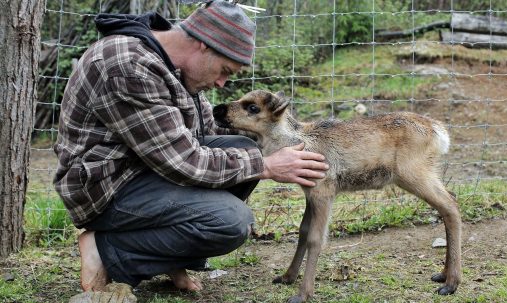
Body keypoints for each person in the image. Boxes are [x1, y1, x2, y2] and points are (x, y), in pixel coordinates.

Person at [53, 0, 329, 293]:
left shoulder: (172, 64)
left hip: (138, 169)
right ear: (204, 46)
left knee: (243, 149)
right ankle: (107, 249)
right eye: (224, 70)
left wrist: (274, 135)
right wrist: (267, 166)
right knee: (230, 221)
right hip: (104, 188)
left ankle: (168, 260)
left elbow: (202, 129)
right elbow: (185, 161)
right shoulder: (130, 66)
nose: (222, 83)